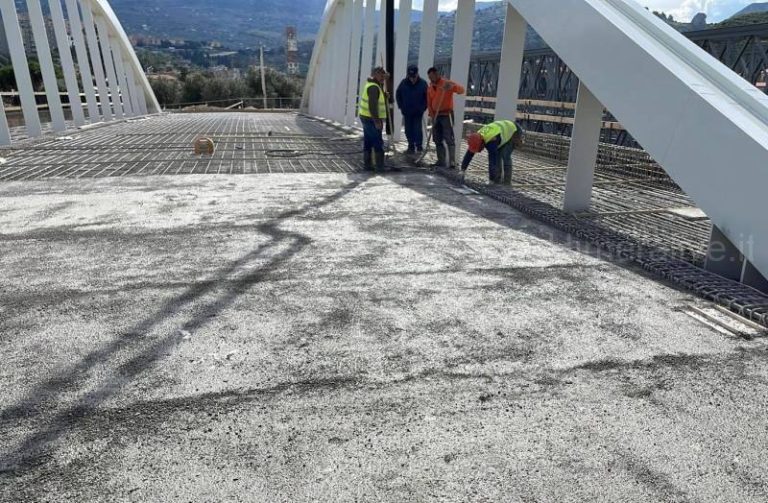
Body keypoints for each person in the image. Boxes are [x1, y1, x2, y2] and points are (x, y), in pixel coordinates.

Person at [460, 120, 524, 185]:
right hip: (503, 130)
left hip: (514, 131)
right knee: (498, 155)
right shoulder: (477, 137)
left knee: (505, 156)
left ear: (481, 144)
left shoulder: (491, 142)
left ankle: (507, 182)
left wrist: (491, 180)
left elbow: (492, 161)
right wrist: (463, 170)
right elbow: (469, 154)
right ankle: (497, 180)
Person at [426, 67, 465, 169]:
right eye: (429, 77)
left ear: (437, 74)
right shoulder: (430, 87)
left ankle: (452, 161)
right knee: (437, 138)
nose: (431, 79)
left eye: (432, 76)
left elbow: (461, 90)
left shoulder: (446, 83)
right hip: (436, 115)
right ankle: (441, 161)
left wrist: (452, 86)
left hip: (446, 114)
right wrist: (432, 115)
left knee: (449, 138)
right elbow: (429, 103)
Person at [358, 66, 389, 173]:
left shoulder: (373, 85)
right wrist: (377, 121)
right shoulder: (374, 88)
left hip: (365, 117)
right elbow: (372, 106)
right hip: (371, 119)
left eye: (383, 75)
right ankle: (380, 166)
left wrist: (384, 95)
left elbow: (378, 95)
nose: (383, 77)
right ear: (375, 74)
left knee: (368, 141)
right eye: (381, 75)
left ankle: (367, 165)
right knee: (377, 141)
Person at [395, 64, 428, 155]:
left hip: (418, 112)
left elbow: (427, 97)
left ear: (417, 74)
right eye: (410, 77)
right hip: (407, 112)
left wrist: (423, 107)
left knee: (417, 129)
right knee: (408, 129)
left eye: (414, 77)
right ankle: (411, 146)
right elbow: (398, 94)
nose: (412, 79)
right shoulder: (403, 83)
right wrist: (401, 106)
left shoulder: (423, 84)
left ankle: (419, 146)